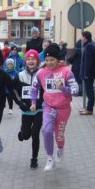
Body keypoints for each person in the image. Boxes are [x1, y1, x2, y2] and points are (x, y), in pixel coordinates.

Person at [30, 43, 79, 171]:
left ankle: (60, 148)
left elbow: (76, 90)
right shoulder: (41, 72)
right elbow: (34, 88)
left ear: (58, 59)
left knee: (59, 135)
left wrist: (63, 88)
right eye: (47, 60)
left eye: (52, 59)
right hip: (48, 106)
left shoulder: (66, 72)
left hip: (63, 108)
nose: (49, 62)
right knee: (46, 131)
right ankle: (49, 158)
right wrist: (33, 102)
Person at [11, 50, 43, 169]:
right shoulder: (20, 75)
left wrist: (42, 103)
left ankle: (34, 158)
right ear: (25, 61)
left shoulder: (42, 74)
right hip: (26, 110)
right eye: (28, 59)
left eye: (33, 59)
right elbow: (13, 91)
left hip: (39, 110)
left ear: (37, 61)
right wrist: (20, 103)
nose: (31, 61)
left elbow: (47, 91)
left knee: (35, 133)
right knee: (26, 135)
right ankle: (22, 133)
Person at [79, 31, 95, 115]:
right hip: (89, 73)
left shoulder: (89, 46)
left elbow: (88, 62)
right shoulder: (89, 45)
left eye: (82, 37)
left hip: (88, 74)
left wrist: (86, 74)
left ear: (85, 37)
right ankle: (88, 108)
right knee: (89, 91)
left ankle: (89, 109)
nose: (81, 38)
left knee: (89, 91)